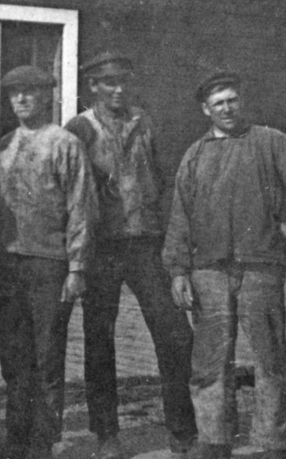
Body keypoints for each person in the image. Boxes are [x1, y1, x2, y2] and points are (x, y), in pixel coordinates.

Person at [163, 71, 286, 459]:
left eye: (232, 100)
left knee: (269, 360)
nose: (227, 108)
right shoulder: (195, 155)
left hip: (261, 269)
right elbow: (180, 216)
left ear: (241, 101)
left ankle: (272, 443)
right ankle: (214, 441)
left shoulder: (271, 143)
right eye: (218, 103)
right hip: (208, 272)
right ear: (205, 109)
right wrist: (177, 271)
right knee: (210, 363)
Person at [64, 52, 197, 459]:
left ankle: (182, 430)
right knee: (99, 339)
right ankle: (107, 434)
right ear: (93, 86)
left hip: (146, 242)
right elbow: (70, 193)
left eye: (124, 80)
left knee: (175, 334)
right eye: (109, 82)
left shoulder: (145, 122)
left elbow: (166, 179)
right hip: (101, 247)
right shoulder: (79, 128)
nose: (118, 89)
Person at [0, 65, 97, 459]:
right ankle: (16, 439)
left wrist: (77, 267)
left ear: (46, 95)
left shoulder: (64, 143)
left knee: (47, 355)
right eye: (14, 92)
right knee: (13, 356)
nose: (21, 99)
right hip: (10, 263)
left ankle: (43, 442)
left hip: (50, 263)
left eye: (30, 91)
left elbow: (81, 207)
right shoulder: (4, 145)